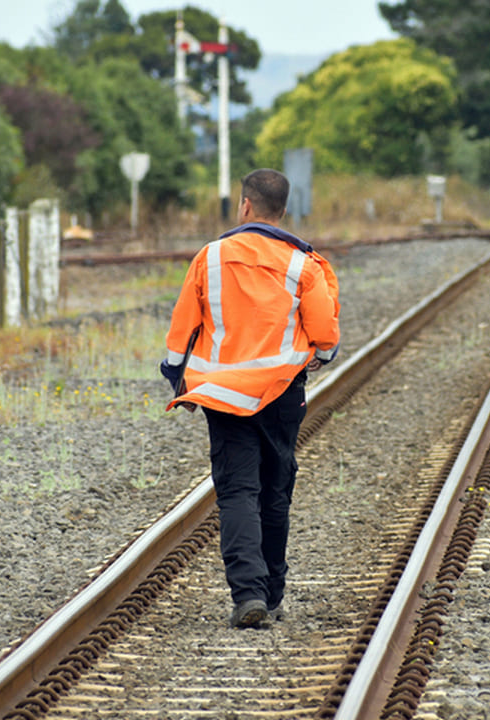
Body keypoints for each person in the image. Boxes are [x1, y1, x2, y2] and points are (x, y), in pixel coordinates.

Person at [160, 168, 340, 628]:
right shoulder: (304, 264)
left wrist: (175, 371)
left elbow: (181, 328)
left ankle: (248, 595)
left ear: (245, 206)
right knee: (276, 488)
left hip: (224, 394)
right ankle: (273, 593)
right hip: (281, 393)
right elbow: (325, 335)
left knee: (238, 490)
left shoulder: (211, 257)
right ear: (283, 211)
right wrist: (320, 354)